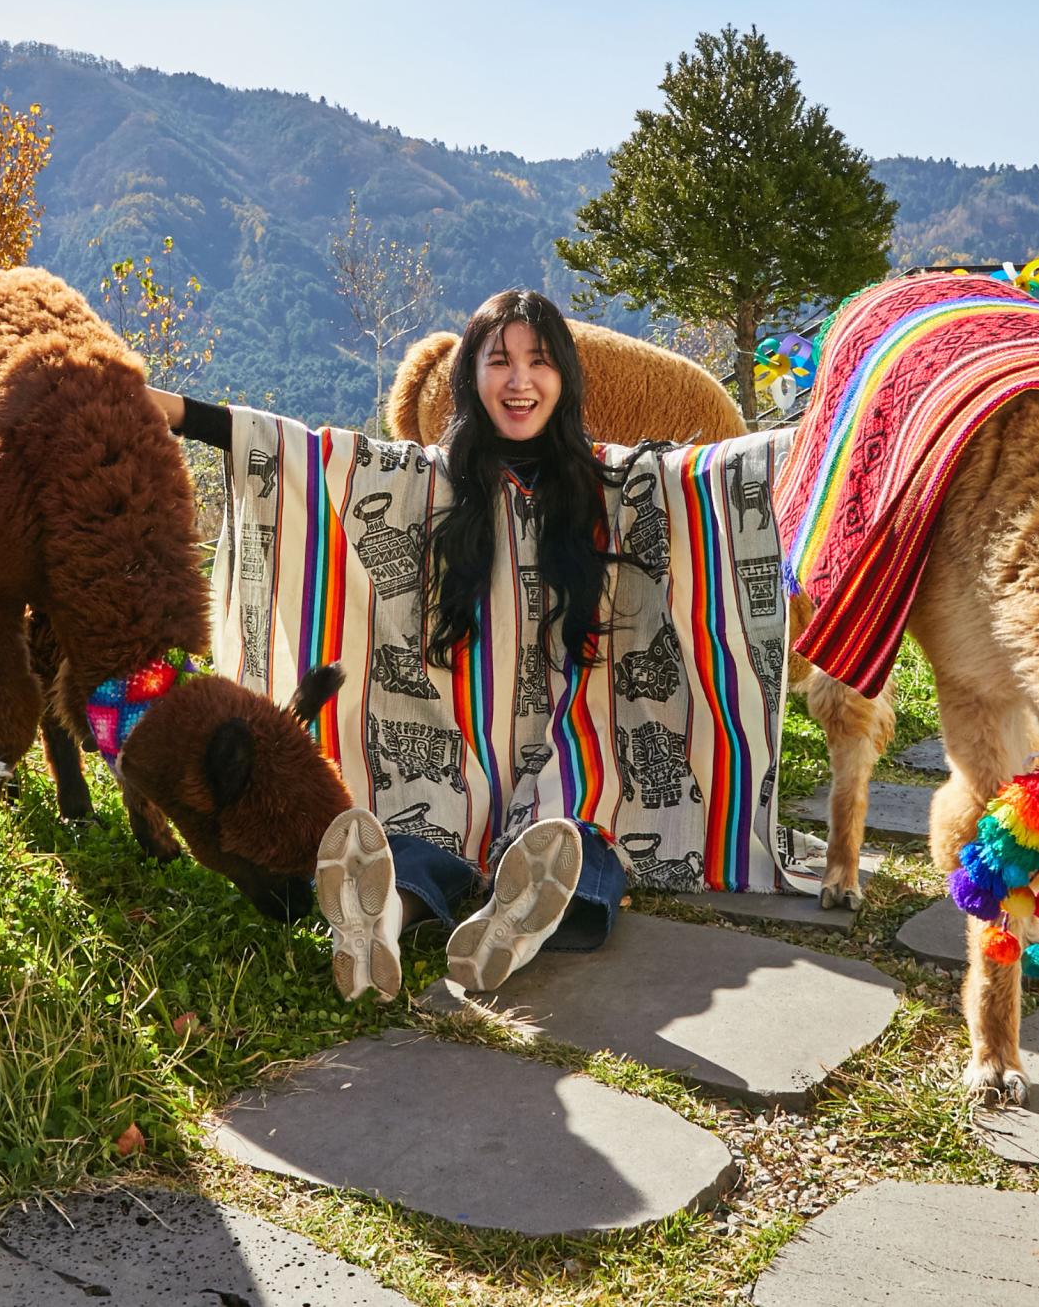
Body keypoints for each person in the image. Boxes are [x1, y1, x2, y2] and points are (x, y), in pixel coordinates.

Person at [149, 289, 800, 1001]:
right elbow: (307, 453)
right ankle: (391, 922)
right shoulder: (424, 481)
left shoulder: (616, 483)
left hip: (573, 746)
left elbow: (718, 474)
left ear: (566, 378)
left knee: (572, 842)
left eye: (539, 362)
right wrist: (178, 413)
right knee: (463, 838)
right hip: (456, 747)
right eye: (500, 362)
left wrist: (824, 433)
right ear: (471, 377)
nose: (520, 381)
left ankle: (487, 921)